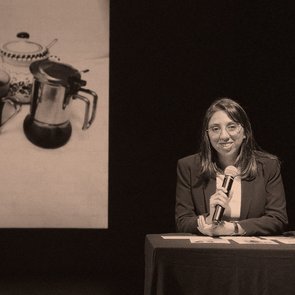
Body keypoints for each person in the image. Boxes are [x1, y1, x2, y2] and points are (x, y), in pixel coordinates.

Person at [175, 98, 288, 236]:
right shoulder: (189, 166)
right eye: (215, 129)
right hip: (209, 252)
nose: (224, 136)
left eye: (232, 126)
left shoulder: (268, 165)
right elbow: (183, 221)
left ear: (245, 132)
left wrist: (233, 228)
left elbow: (277, 218)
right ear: (207, 135)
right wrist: (209, 219)